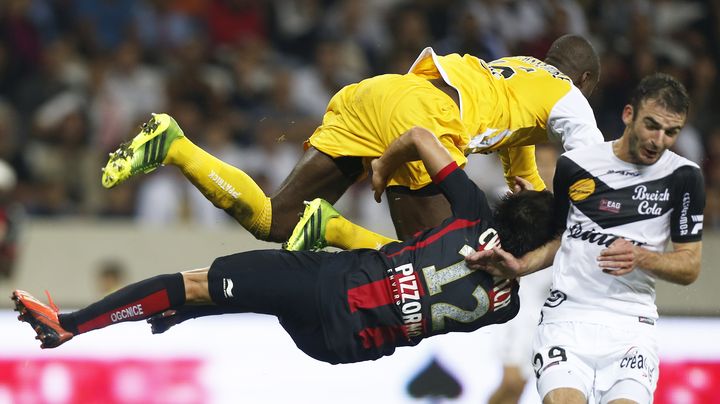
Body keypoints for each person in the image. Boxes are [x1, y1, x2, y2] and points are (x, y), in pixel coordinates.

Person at [12, 127, 561, 364]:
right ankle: (185, 312)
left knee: (200, 281)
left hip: (326, 289)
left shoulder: (470, 214)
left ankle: (72, 325)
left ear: (508, 209)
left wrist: (384, 167)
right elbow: (538, 256)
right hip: (345, 348)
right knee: (246, 288)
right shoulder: (504, 307)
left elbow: (419, 134)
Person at [100, 34, 602, 251]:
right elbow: (594, 171)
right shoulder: (569, 96)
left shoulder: (519, 84)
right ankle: (335, 231)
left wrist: (543, 227)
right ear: (585, 79)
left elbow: (527, 184)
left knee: (274, 222)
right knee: (428, 261)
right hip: (423, 116)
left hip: (377, 93)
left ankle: (173, 145)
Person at [465, 73, 704, 403]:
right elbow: (564, 238)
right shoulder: (575, 165)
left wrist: (643, 257)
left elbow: (690, 266)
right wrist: (521, 265)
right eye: (652, 125)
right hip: (568, 319)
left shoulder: (684, 177)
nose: (658, 140)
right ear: (628, 114)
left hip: (632, 327)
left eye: (671, 132)